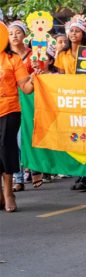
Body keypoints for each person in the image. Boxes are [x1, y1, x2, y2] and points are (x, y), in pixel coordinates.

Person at [55, 14, 86, 191]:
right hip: (69, 99)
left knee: (85, 137)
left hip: (85, 99)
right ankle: (79, 173)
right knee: (72, 136)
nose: (73, 34)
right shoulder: (62, 54)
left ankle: (85, 175)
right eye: (71, 31)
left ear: (83, 33)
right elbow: (59, 76)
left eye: (77, 31)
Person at [0, 22, 35, 212]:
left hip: (9, 110)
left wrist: (35, 78)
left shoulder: (12, 59)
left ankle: (8, 192)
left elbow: (27, 88)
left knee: (6, 146)